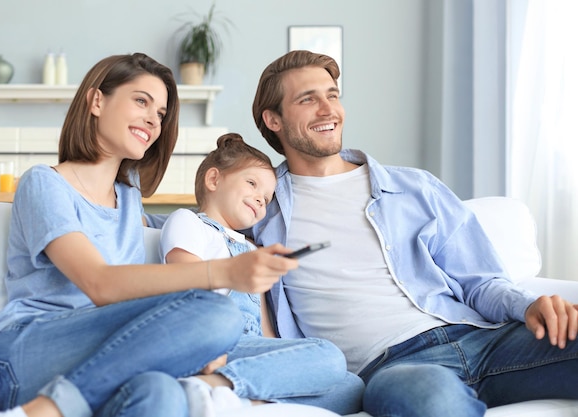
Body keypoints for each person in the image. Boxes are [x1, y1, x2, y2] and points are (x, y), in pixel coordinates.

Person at [248, 49, 578, 417]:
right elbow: (192, 231)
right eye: (308, 100)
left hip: (483, 339)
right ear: (273, 119)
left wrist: (528, 304)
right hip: (394, 368)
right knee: (429, 401)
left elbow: (481, 283)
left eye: (332, 95)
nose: (328, 110)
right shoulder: (260, 206)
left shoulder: (415, 188)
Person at [0, 53, 298, 417]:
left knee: (161, 392)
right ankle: (47, 409)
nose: (153, 119)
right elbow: (99, 283)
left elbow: (200, 224)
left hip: (109, 358)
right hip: (28, 352)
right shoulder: (45, 183)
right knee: (216, 314)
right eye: (141, 101)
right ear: (97, 100)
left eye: (161, 113)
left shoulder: (129, 199)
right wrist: (226, 272)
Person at [159, 132, 364, 416]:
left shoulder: (252, 249)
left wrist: (288, 360)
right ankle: (210, 385)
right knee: (327, 355)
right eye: (252, 184)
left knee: (352, 387)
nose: (260, 199)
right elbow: (184, 283)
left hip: (249, 346)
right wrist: (208, 347)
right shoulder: (189, 222)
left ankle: (239, 400)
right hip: (212, 342)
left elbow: (265, 330)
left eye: (267, 198)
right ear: (214, 179)